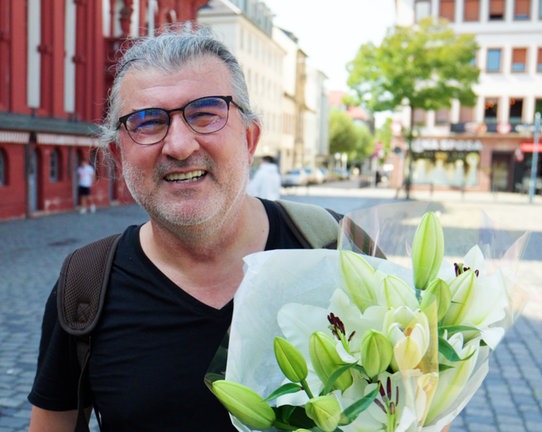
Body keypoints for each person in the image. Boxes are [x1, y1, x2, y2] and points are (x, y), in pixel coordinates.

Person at [27, 27, 354, 431]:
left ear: (249, 139)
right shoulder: (85, 287)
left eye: (205, 114)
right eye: (147, 122)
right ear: (118, 154)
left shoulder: (335, 248)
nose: (180, 146)